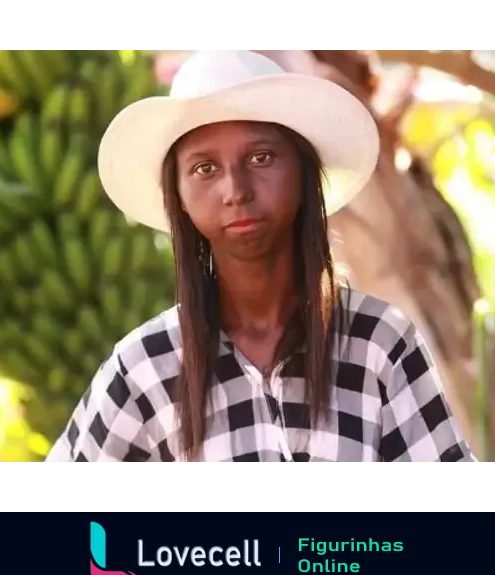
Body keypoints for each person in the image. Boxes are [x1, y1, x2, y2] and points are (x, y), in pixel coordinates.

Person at [45, 49, 477, 463]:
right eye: (204, 168)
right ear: (178, 195)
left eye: (261, 157)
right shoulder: (145, 368)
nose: (235, 190)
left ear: (304, 172)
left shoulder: (380, 344)